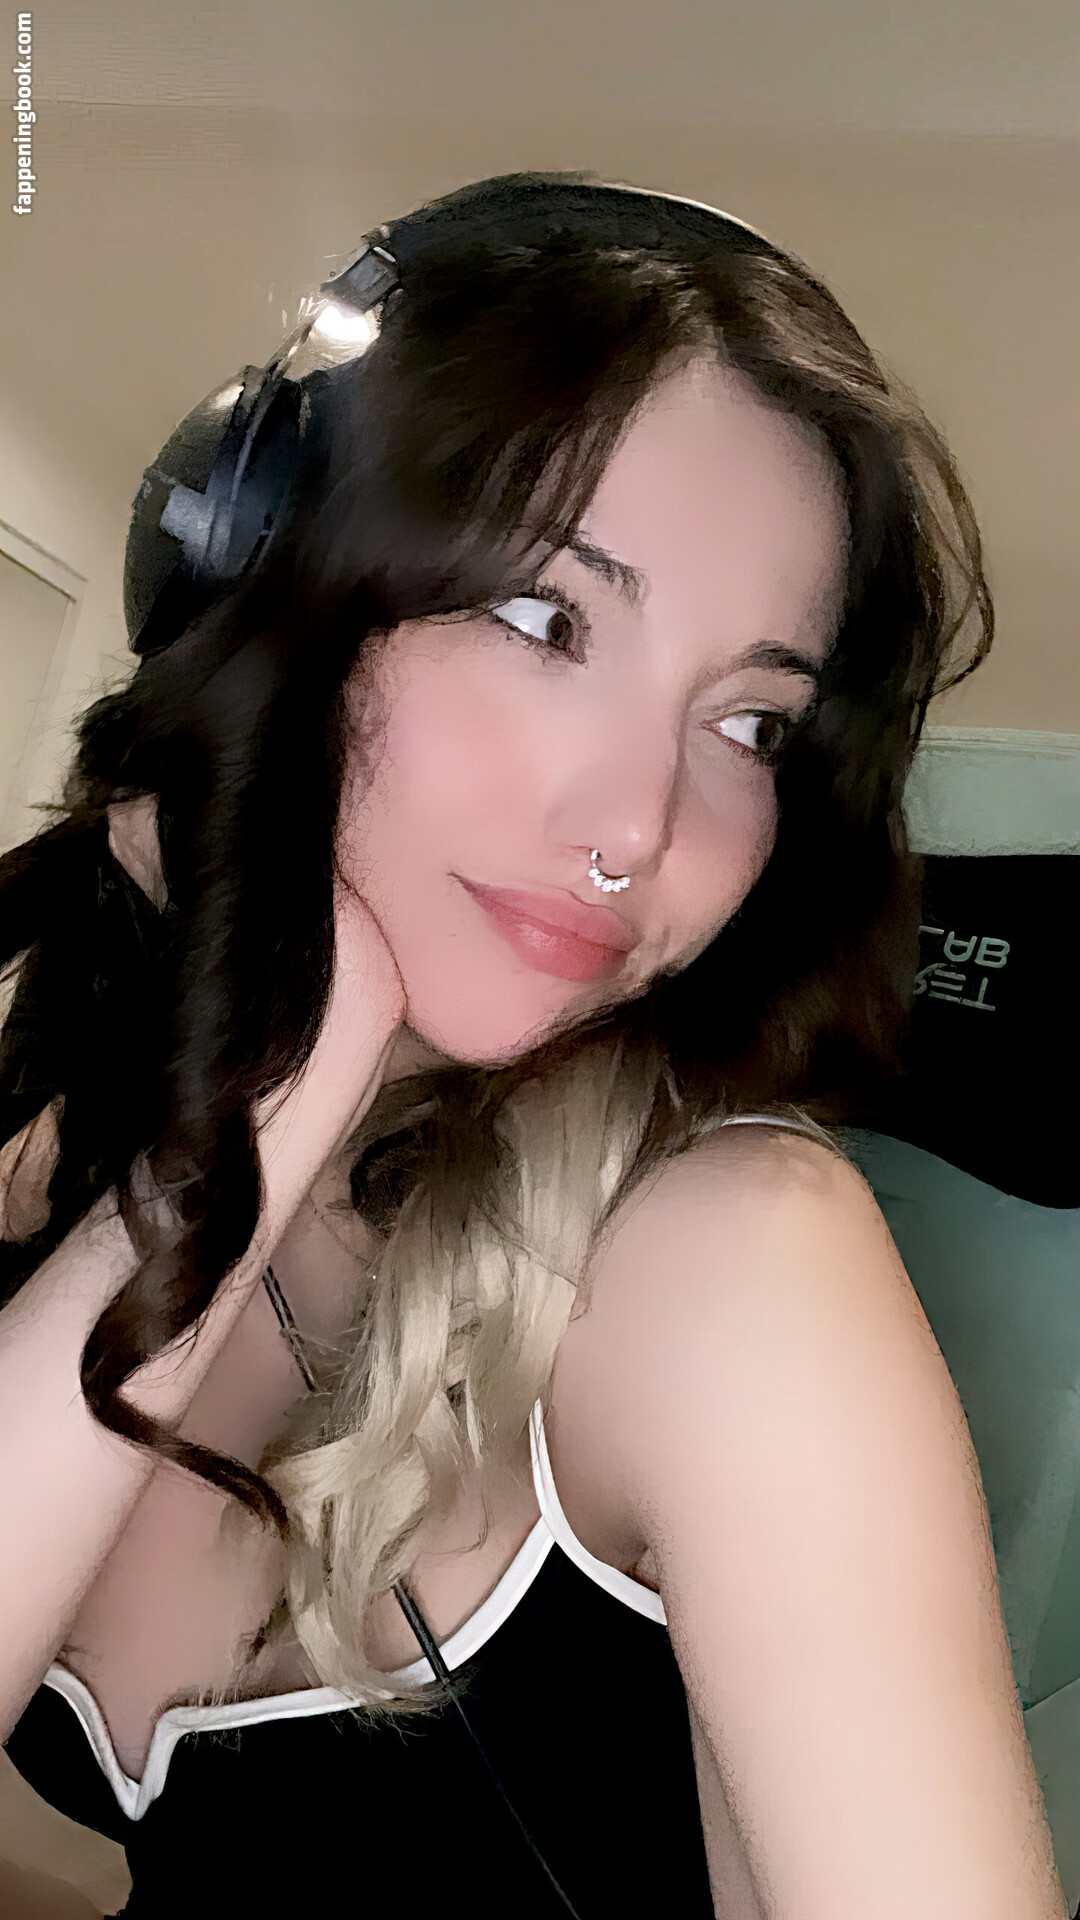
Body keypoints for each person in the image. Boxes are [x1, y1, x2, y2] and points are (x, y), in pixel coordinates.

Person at [0, 173, 1066, 1918]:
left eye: (750, 723)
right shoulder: (61, 1152)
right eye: (545, 619)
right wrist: (255, 1128)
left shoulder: (734, 1270)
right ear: (263, 590)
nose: (639, 826)